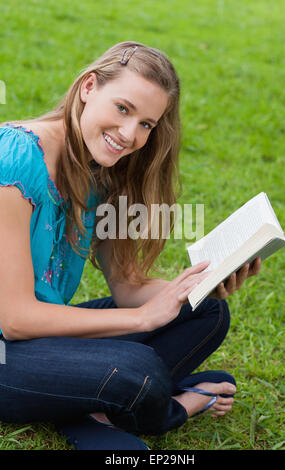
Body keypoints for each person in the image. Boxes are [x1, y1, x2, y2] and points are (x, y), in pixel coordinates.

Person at [0, 41, 261, 450]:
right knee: (137, 371)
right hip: (6, 348)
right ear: (89, 87)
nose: (130, 134)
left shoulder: (102, 173)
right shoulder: (13, 158)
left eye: (147, 124)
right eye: (123, 109)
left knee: (206, 310)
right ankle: (174, 408)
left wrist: (202, 282)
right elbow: (15, 319)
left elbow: (125, 287)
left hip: (44, 339)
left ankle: (90, 406)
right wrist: (142, 320)